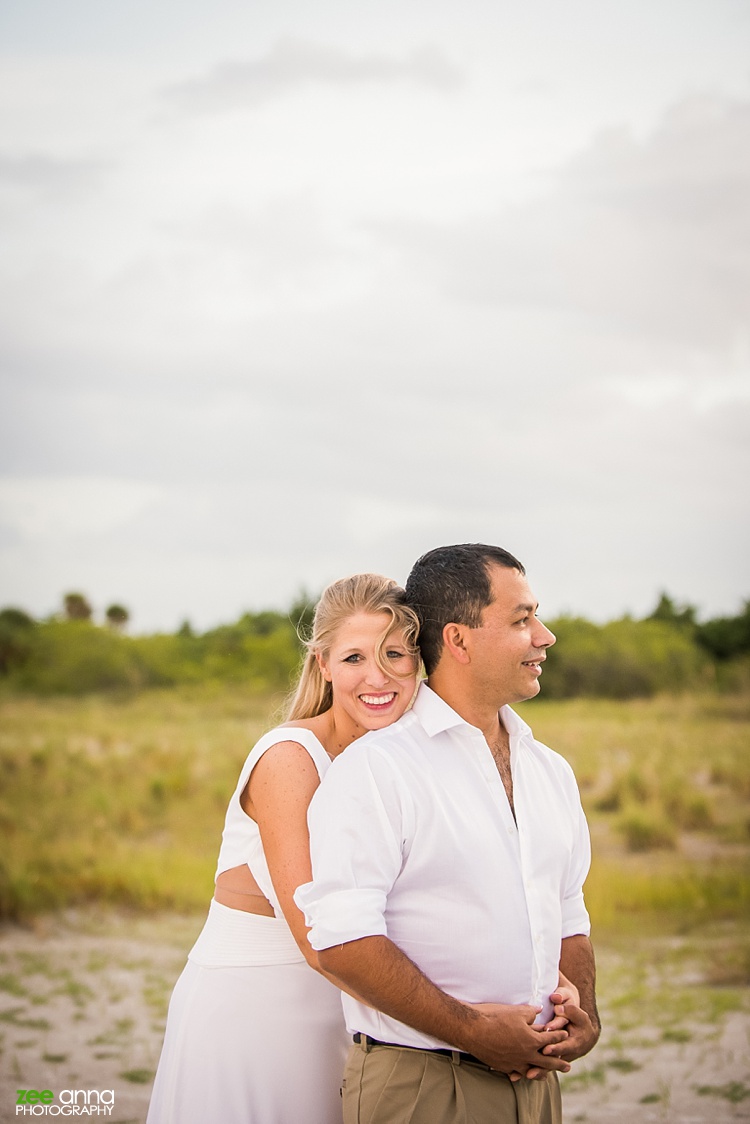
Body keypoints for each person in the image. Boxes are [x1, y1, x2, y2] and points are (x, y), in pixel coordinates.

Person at [295, 544, 601, 1124]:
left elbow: (569, 910)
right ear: (458, 641)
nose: (545, 636)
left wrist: (585, 1013)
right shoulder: (378, 768)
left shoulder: (550, 770)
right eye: (521, 620)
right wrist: (477, 1032)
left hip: (537, 1088)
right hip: (423, 1085)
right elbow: (342, 941)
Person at [146, 574, 421, 1124]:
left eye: (395, 654)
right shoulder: (289, 759)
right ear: (323, 664)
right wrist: (461, 1028)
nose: (378, 677)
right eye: (353, 659)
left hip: (348, 1012)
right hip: (256, 1014)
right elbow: (317, 935)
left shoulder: (399, 764)